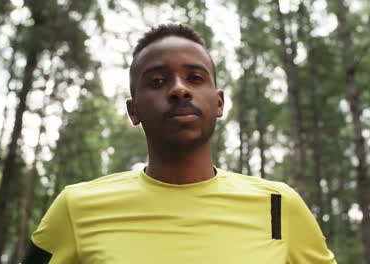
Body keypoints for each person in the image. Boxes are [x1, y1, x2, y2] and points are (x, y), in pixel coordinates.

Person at [23, 24, 336, 264]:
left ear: (218, 103)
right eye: (157, 81)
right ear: (134, 111)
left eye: (195, 78)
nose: (179, 90)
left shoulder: (279, 206)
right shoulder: (76, 208)